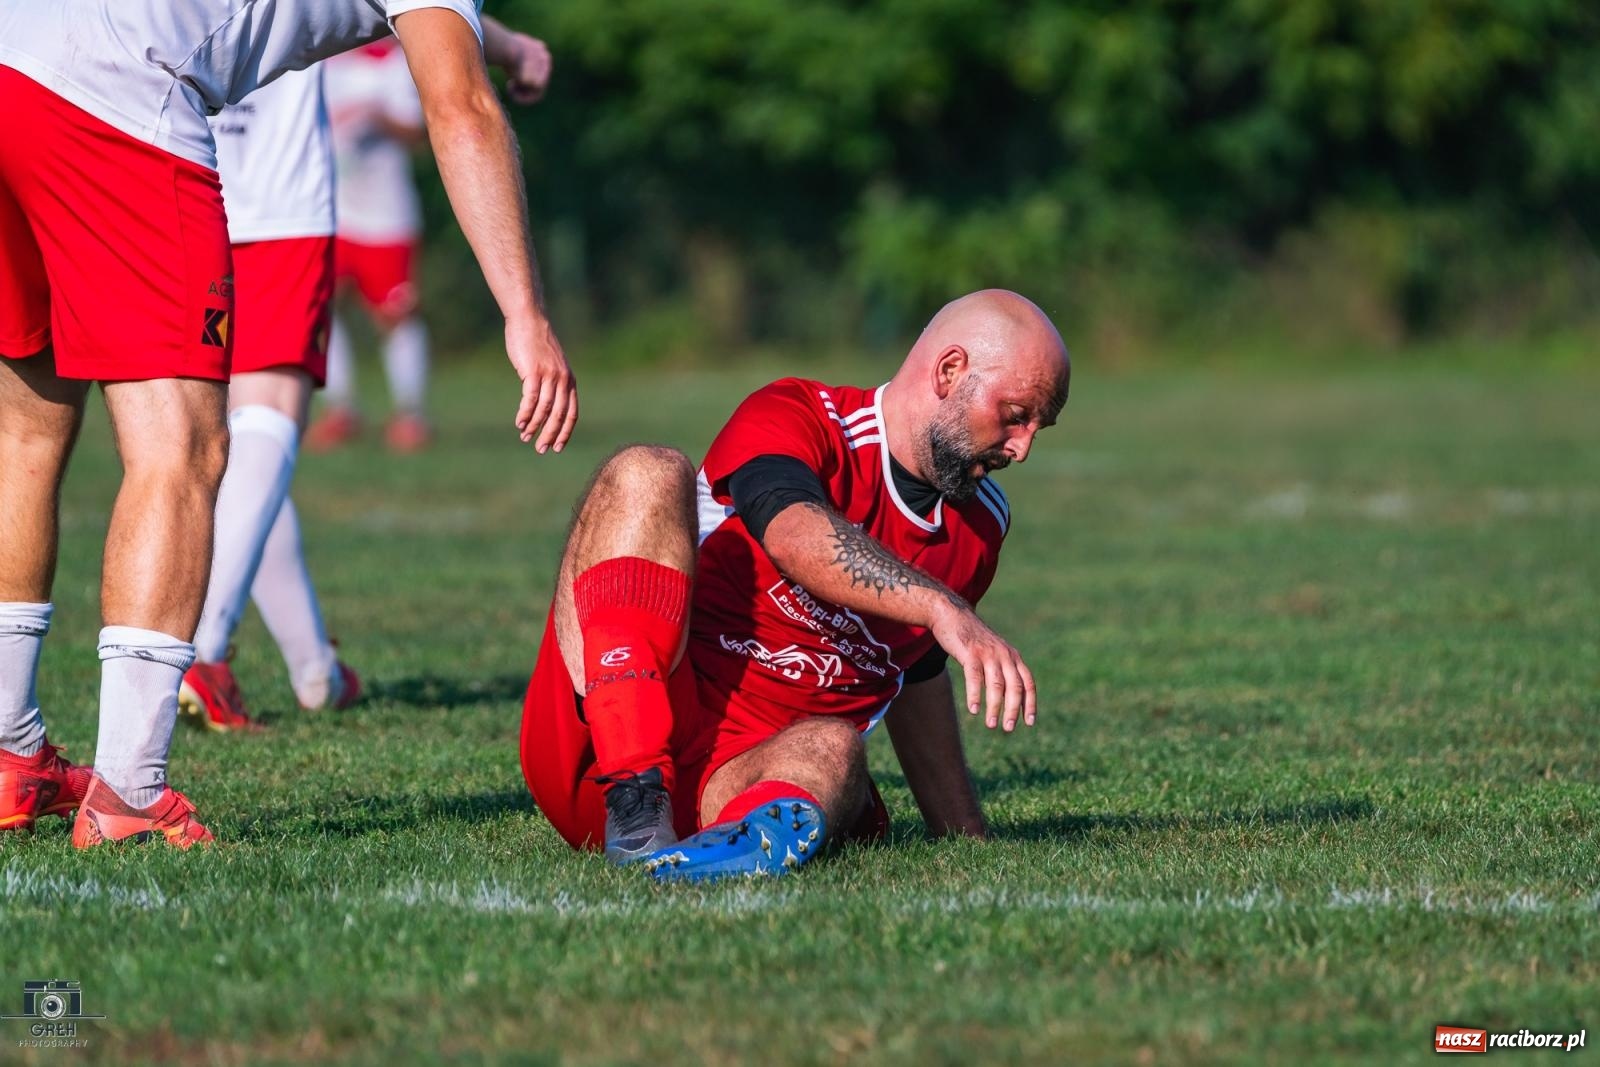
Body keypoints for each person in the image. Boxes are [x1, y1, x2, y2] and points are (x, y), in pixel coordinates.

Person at [0, 0, 575, 849]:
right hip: (123, 94)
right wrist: (525, 312)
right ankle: (128, 790)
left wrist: (511, 46)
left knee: (26, 429)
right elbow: (462, 107)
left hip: (14, 55)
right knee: (179, 448)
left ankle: (10, 751)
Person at [520, 289, 1069, 881]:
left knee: (835, 746)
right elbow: (793, 533)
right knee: (645, 470)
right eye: (1016, 414)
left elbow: (915, 671)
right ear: (949, 370)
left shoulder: (981, 525)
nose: (1023, 446)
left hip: (741, 784)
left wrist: (965, 837)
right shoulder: (800, 414)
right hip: (605, 748)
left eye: (1039, 427)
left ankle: (708, 860)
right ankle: (635, 800)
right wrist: (941, 607)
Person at [182, 26, 553, 731]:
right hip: (275, 201)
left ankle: (314, 668)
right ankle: (203, 648)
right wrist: (511, 48)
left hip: (176, 186)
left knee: (234, 442)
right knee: (267, 422)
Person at [305, 40, 435, 453]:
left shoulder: (395, 61)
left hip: (386, 215)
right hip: (330, 210)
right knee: (320, 306)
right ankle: (340, 409)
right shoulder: (319, 58)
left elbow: (419, 130)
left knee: (396, 313)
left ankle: (410, 413)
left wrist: (378, 119)